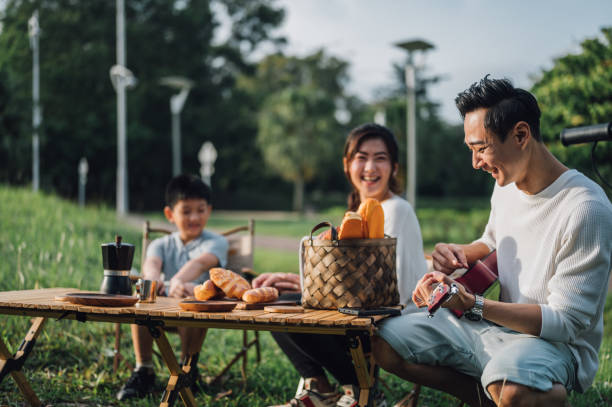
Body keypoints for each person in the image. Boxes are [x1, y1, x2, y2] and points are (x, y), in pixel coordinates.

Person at [372, 76, 612, 407]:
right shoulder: (506, 185)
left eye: (481, 148)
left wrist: (474, 304)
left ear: (521, 135)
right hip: (491, 327)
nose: (476, 163)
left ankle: (531, 394)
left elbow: (567, 323)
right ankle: (483, 397)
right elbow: (492, 241)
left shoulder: (586, 209)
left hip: (553, 344)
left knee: (514, 392)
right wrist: (459, 253)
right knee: (385, 340)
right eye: (471, 150)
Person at [254, 123, 428, 407]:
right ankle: (319, 388)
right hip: (357, 308)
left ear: (394, 168)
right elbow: (351, 277)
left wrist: (313, 290)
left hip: (390, 315)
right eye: (361, 157)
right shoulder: (359, 212)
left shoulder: (396, 209)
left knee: (295, 311)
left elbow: (387, 284)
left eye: (380, 158)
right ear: (347, 165)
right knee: (277, 305)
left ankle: (364, 392)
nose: (370, 166)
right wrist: (305, 284)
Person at [117, 174, 228, 400]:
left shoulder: (216, 242)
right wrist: (156, 282)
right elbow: (151, 266)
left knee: (190, 299)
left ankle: (187, 370)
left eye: (201, 209)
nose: (194, 217)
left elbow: (200, 263)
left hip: (195, 317)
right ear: (170, 214)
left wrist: (178, 282)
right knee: (142, 297)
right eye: (186, 211)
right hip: (158, 314)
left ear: (209, 210)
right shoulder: (160, 244)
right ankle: (144, 369)